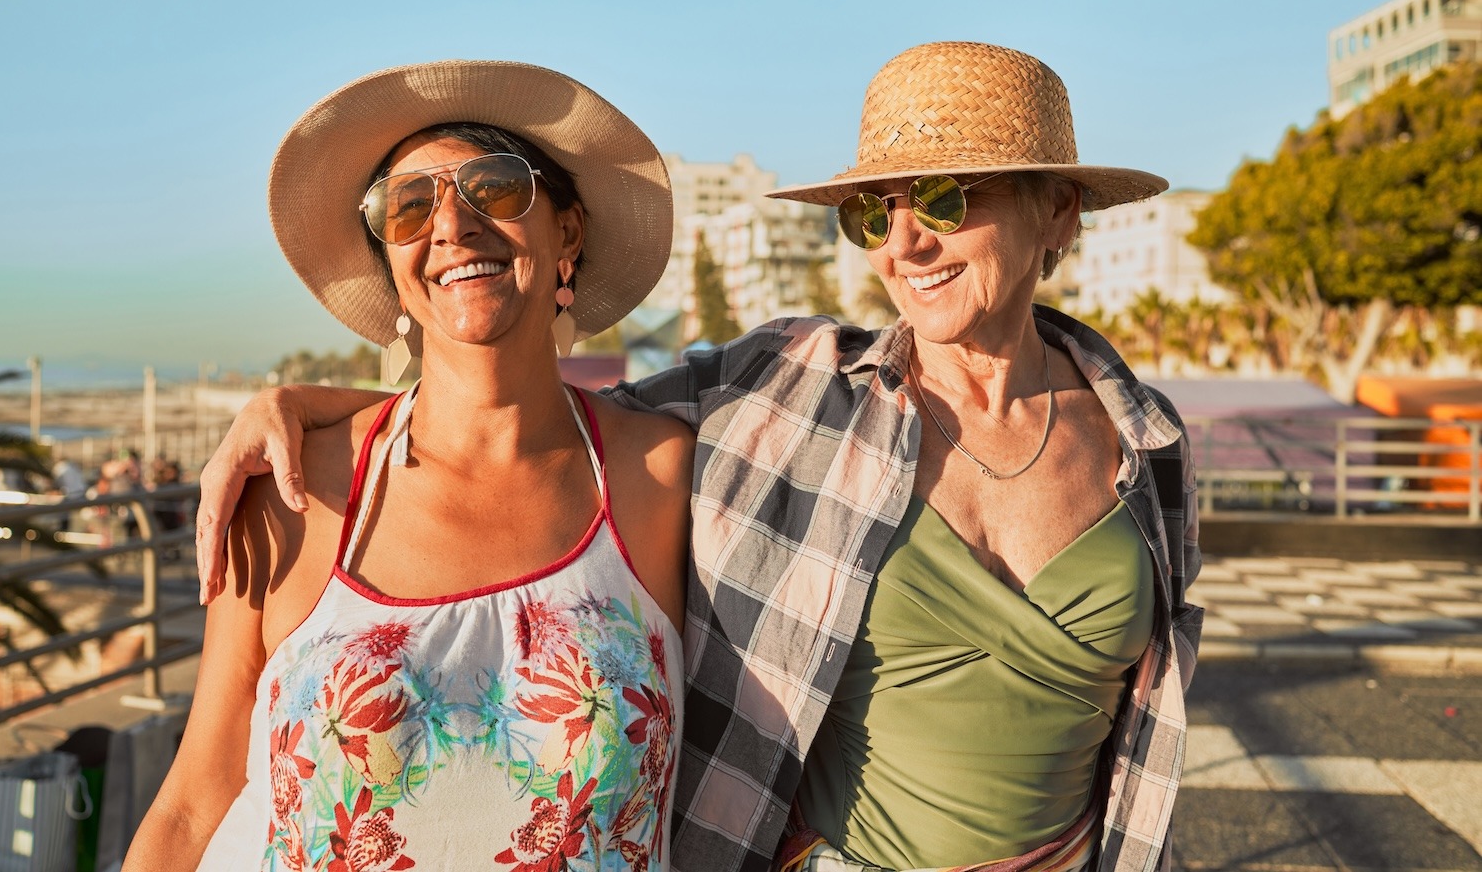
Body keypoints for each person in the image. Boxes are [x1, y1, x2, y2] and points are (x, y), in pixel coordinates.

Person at [196, 42, 1202, 872]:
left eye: (944, 198)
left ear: (1059, 210)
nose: (906, 242)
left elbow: (1140, 734)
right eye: (874, 212)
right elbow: (511, 414)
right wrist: (308, 408)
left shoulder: (1147, 445)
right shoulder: (790, 391)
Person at [128, 61, 693, 871]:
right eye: (409, 206)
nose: (452, 227)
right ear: (391, 261)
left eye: (495, 188)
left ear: (568, 231)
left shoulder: (664, 477)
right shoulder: (291, 490)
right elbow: (193, 802)